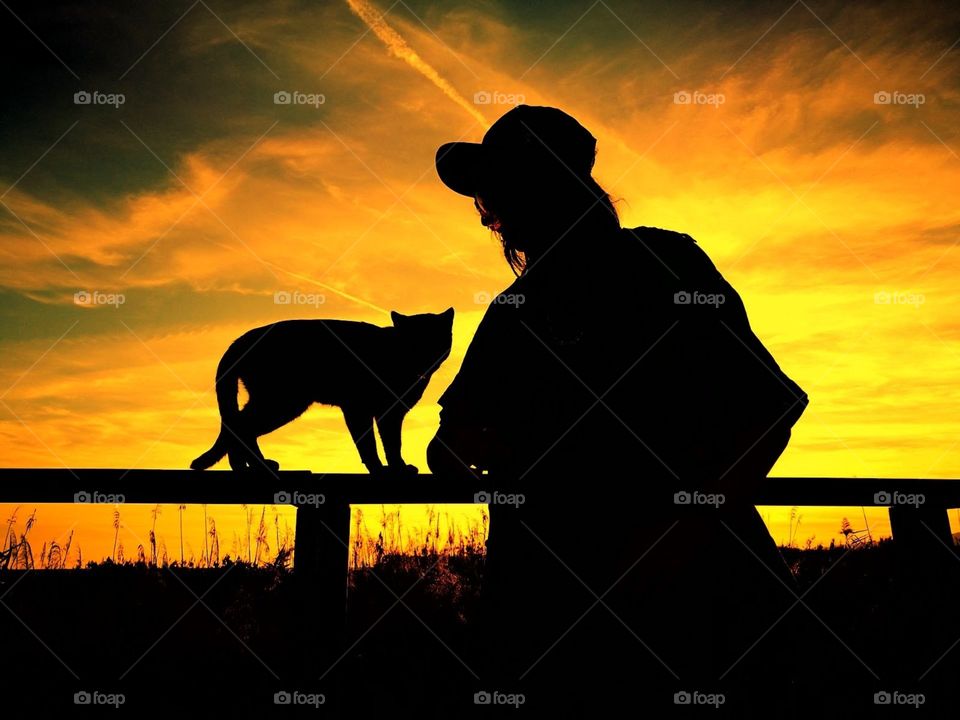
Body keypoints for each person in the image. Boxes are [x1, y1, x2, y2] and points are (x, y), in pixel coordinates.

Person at [428, 105, 809, 716]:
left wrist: (683, 534)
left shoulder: (656, 267)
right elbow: (449, 441)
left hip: (664, 603)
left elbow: (769, 410)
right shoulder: (522, 309)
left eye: (502, 192)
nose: (494, 215)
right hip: (589, 606)